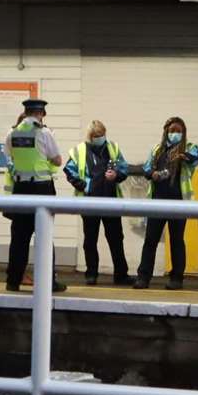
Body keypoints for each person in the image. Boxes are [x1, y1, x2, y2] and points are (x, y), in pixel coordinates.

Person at [2, 97, 69, 293]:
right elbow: (57, 160)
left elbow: (10, 156)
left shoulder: (12, 133)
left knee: (19, 238)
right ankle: (49, 282)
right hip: (41, 189)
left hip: (20, 190)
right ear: (41, 113)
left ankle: (13, 281)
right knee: (44, 236)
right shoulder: (44, 132)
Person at [133, 115, 198, 290]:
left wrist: (182, 155)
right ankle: (143, 277)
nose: (175, 134)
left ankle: (176, 278)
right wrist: (152, 173)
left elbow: (195, 157)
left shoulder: (189, 147)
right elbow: (147, 168)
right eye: (172, 131)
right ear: (165, 132)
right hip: (157, 201)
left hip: (179, 202)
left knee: (177, 240)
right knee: (150, 239)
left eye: (179, 131)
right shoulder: (157, 149)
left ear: (184, 133)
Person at [63, 120, 132, 286]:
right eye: (96, 136)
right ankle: (91, 274)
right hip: (89, 201)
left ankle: (121, 274)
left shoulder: (113, 148)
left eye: (102, 135)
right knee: (90, 239)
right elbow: (69, 171)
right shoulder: (80, 151)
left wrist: (115, 175)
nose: (100, 138)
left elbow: (124, 169)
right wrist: (86, 185)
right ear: (90, 136)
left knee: (116, 238)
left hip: (110, 199)